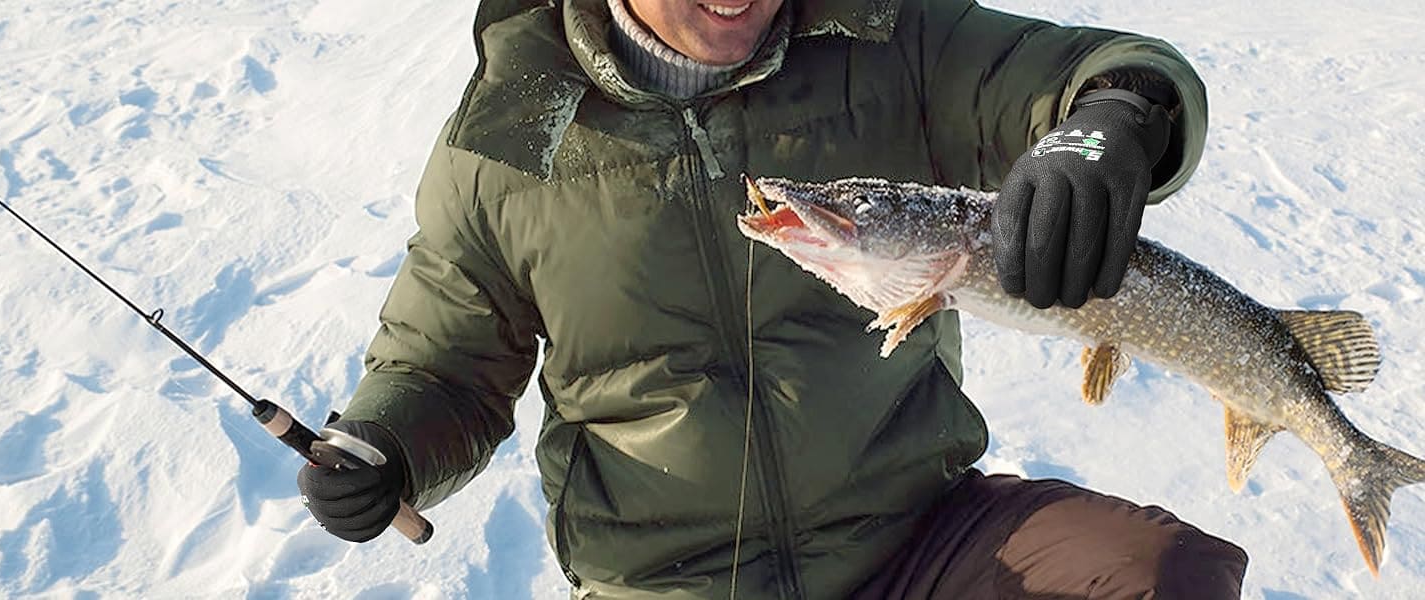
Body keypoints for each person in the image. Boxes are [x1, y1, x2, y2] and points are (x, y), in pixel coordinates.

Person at [297, 0, 1249, 597]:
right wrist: (383, 446)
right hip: (668, 579)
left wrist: (1115, 121)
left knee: (1165, 576)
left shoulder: (885, 36)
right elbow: (443, 361)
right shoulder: (507, 137)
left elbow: (1099, 68)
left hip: (914, 536)